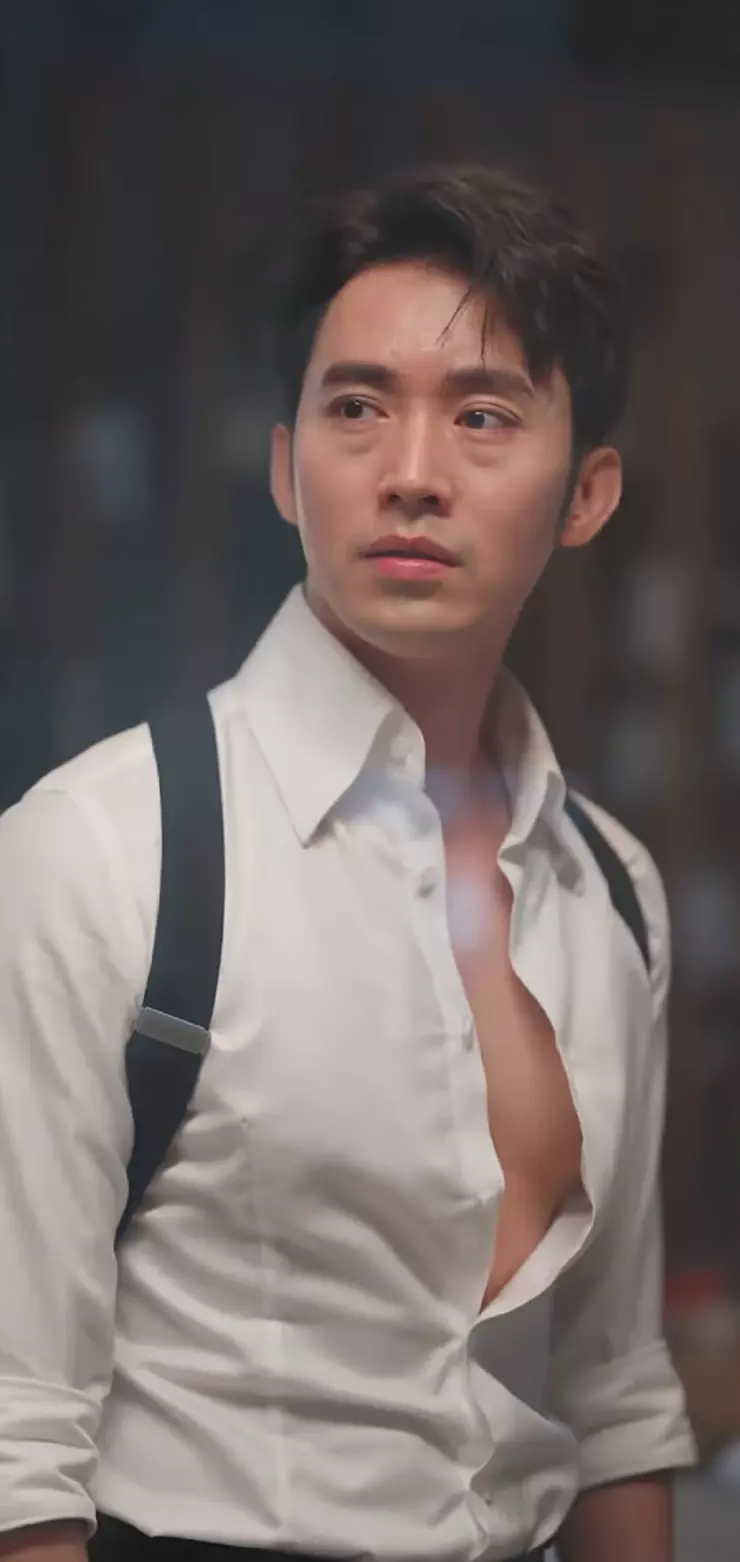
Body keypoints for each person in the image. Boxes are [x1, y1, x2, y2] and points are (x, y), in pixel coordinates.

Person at [0, 164, 695, 1562]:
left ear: (587, 493)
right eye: (358, 407)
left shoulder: (611, 889)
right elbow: (17, 1438)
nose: (412, 472)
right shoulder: (106, 849)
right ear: (285, 466)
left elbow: (614, 1397)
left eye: (483, 415)